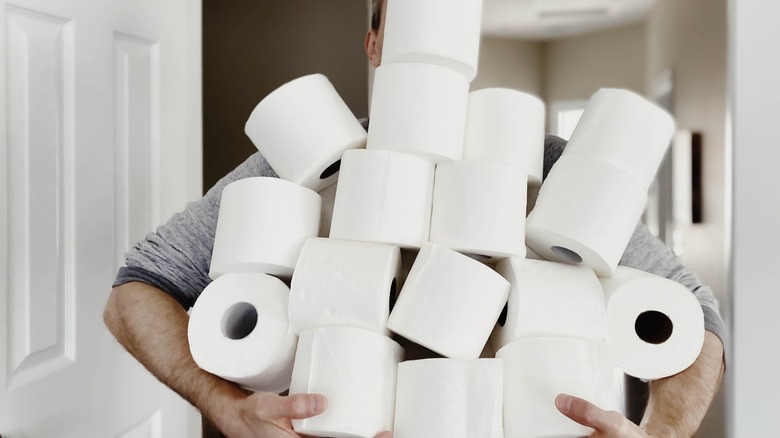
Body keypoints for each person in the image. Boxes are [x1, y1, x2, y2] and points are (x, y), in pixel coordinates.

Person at [105, 0, 726, 436]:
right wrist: (227, 409)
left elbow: (695, 318)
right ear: (375, 43)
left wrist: (660, 435)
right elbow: (133, 290)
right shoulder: (303, 158)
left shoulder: (557, 169)